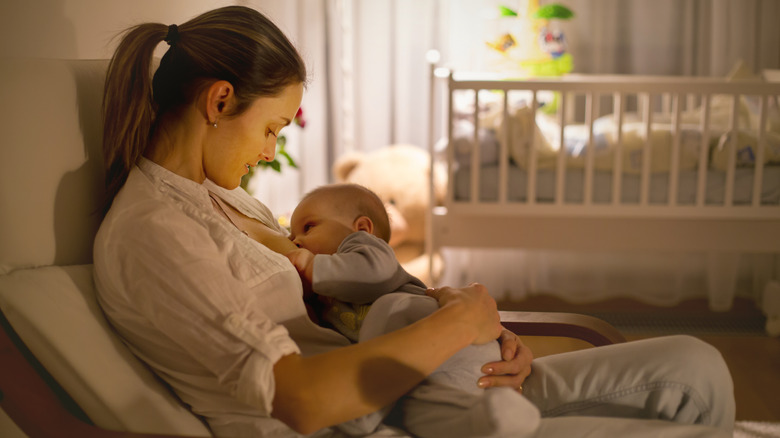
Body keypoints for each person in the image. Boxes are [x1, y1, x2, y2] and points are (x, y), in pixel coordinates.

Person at [93, 5, 735, 438]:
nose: (269, 151)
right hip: (400, 414)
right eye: (270, 128)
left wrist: (454, 316)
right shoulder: (153, 233)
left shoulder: (232, 203)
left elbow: (342, 299)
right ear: (220, 100)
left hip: (420, 372)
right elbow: (300, 399)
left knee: (697, 365)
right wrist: (457, 325)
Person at [285, 183, 539, 437]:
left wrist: (314, 266)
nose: (296, 241)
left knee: (388, 308)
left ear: (362, 227)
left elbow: (375, 272)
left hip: (446, 335)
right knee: (414, 409)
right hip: (436, 368)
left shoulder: (363, 247)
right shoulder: (326, 297)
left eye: (308, 227)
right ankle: (498, 417)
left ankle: (361, 411)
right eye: (290, 236)